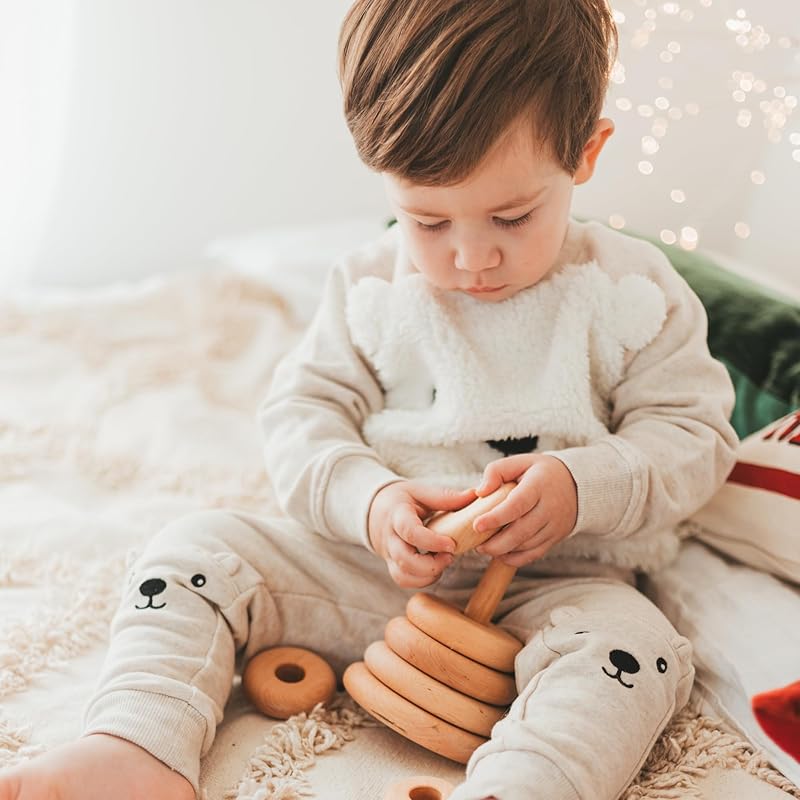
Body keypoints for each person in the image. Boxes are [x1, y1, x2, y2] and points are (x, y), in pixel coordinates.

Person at [0, 1, 739, 799]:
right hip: (373, 575)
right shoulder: (369, 289)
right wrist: (371, 501)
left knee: (638, 656)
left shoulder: (631, 292)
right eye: (427, 220)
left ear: (587, 153)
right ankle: (136, 745)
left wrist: (580, 487)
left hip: (556, 591)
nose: (471, 257)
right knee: (193, 550)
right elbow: (302, 421)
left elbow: (696, 436)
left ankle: (521, 785)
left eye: (511, 216)